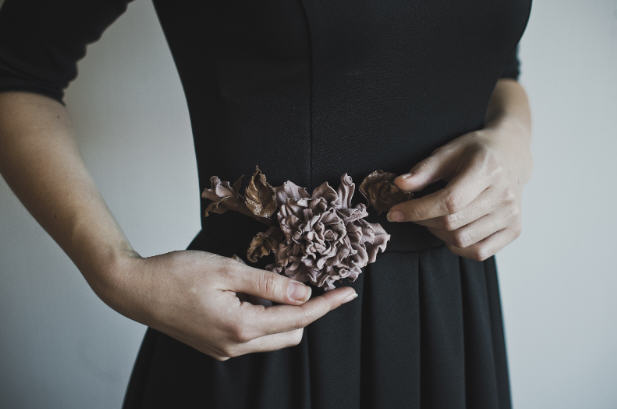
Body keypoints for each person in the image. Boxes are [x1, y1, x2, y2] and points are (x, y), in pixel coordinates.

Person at [0, 0, 533, 408]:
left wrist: (511, 139)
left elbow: (496, 68)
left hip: (454, 319)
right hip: (267, 332)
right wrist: (115, 272)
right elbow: (15, 71)